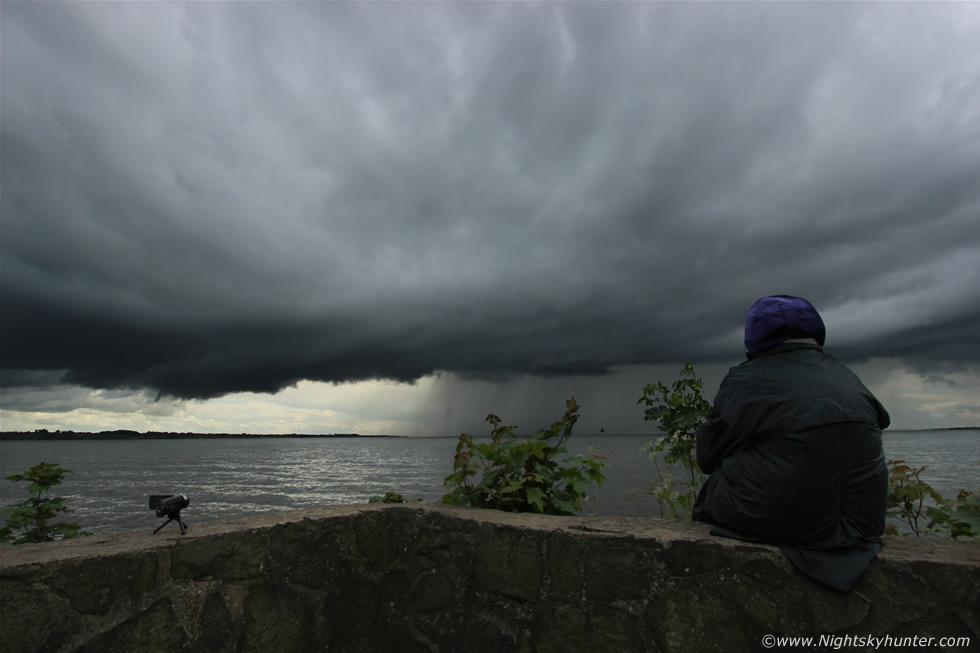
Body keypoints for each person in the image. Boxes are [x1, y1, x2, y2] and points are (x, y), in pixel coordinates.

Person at [692, 295, 890, 592]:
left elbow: (708, 457)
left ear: (754, 337)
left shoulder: (747, 380)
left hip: (791, 523)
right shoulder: (847, 377)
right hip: (864, 526)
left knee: (717, 483)